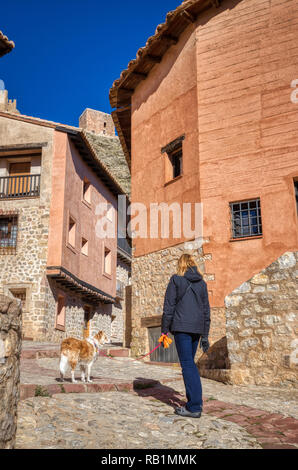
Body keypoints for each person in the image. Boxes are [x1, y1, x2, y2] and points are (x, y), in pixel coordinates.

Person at [161, 253, 211, 418]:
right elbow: (206, 311)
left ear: (180, 265)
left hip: (182, 327)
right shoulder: (202, 284)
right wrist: (205, 335)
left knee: (188, 366)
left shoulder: (176, 280)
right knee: (190, 365)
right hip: (197, 329)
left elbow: (169, 307)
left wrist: (164, 331)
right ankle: (195, 403)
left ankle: (194, 407)